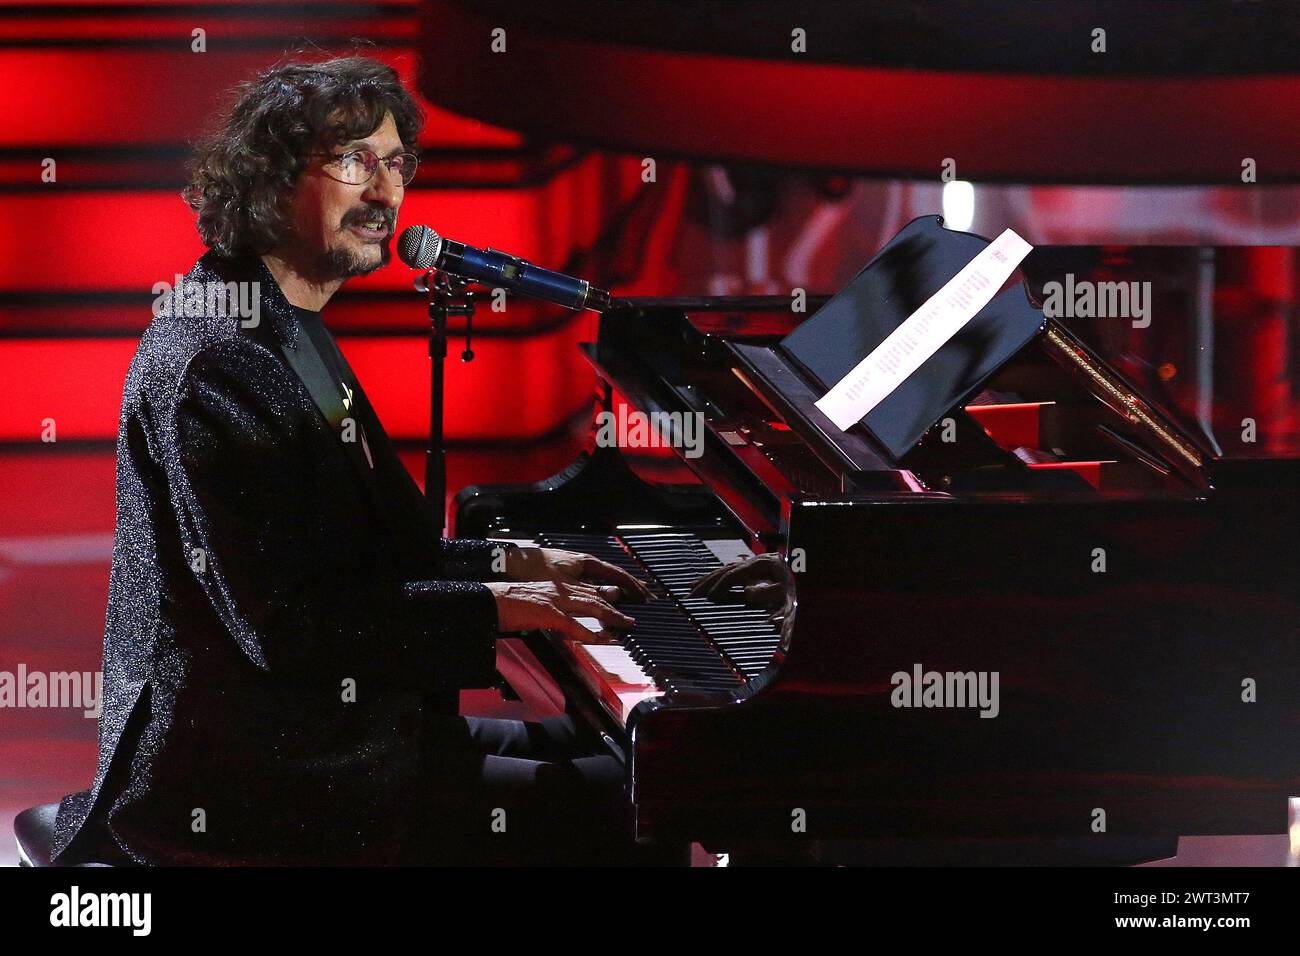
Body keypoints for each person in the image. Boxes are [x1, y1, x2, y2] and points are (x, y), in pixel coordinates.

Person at [49, 55, 659, 866]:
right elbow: (291, 628)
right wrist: (506, 605)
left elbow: (362, 562)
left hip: (332, 735)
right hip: (259, 780)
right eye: (352, 162)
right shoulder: (222, 362)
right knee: (619, 816)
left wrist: (523, 563)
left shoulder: (282, 324)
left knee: (635, 772)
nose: (386, 193)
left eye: (396, 162)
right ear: (268, 181)